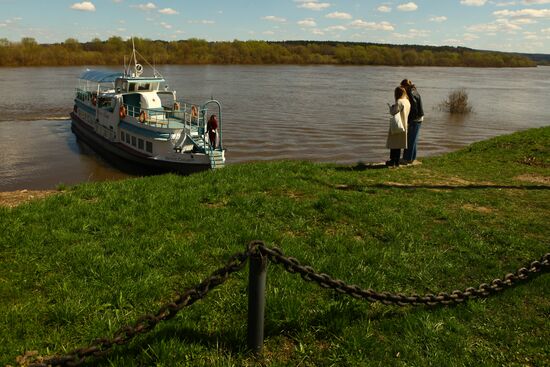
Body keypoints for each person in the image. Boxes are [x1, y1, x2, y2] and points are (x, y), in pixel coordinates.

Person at [400, 79, 424, 164]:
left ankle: (407, 159)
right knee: (413, 140)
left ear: (405, 86)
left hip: (415, 118)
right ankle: (412, 158)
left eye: (402, 87)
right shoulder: (414, 90)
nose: (402, 89)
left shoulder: (410, 92)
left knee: (410, 140)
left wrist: (409, 120)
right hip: (419, 117)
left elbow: (413, 107)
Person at [386, 87, 410, 167]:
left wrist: (391, 107)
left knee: (394, 144)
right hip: (404, 124)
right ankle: (396, 162)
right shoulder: (407, 101)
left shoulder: (399, 101)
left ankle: (392, 161)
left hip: (397, 124)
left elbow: (393, 112)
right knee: (399, 145)